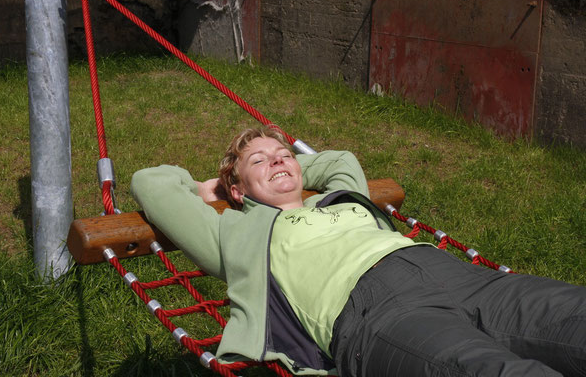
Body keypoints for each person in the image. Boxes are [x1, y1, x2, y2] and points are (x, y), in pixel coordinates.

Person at [131, 127, 586, 377]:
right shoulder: (236, 232)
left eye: (284, 154)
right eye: (259, 161)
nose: (278, 160)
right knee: (491, 371)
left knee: (574, 316)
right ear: (237, 188)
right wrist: (212, 186)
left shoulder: (340, 196)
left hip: (452, 274)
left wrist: (275, 164)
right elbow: (151, 182)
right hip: (377, 315)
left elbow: (341, 161)